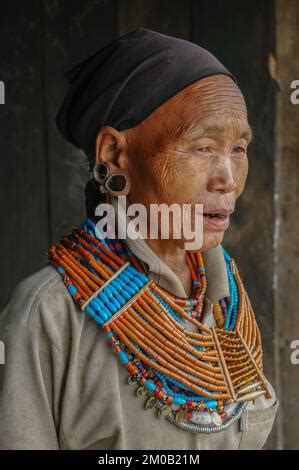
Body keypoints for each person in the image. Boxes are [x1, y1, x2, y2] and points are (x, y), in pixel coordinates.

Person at [0, 28, 278, 450]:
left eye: (238, 149)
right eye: (203, 147)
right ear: (114, 153)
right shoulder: (47, 316)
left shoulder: (227, 297)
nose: (228, 181)